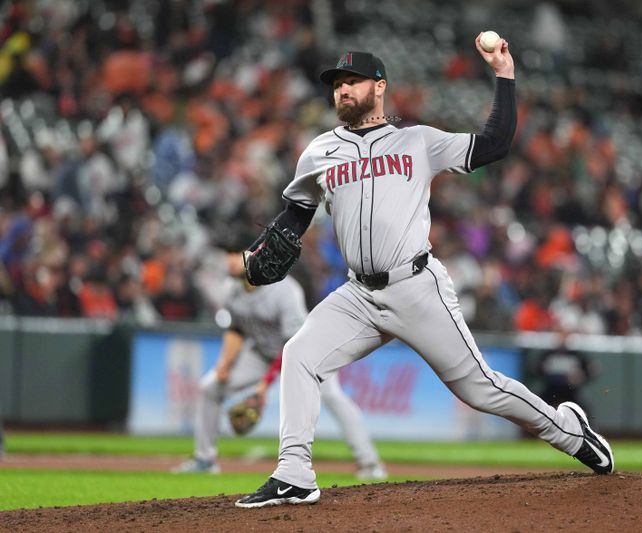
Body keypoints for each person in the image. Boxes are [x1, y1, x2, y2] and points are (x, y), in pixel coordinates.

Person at [235, 33, 614, 509]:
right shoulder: (317, 153)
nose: (343, 90)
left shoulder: (417, 141)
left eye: (353, 81)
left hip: (416, 286)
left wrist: (504, 74)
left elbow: (494, 144)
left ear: (380, 88)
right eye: (337, 84)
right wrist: (258, 254)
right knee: (300, 356)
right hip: (357, 295)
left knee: (481, 390)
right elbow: (293, 217)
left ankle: (568, 431)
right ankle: (294, 471)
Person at [172, 239, 386, 480]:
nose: (229, 260)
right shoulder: (231, 291)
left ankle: (369, 462)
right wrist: (224, 364)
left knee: (334, 397)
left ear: (255, 255)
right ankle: (204, 458)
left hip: (307, 353)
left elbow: (291, 345)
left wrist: (264, 386)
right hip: (263, 353)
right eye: (227, 254)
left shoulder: (284, 290)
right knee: (210, 387)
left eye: (235, 253)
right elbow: (237, 330)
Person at [533, 329, 595, 409]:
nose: (562, 340)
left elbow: (589, 370)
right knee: (538, 405)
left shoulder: (576, 355)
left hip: (569, 390)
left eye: (565, 337)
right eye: (560, 336)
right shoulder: (549, 354)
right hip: (551, 389)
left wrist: (581, 376)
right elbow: (536, 369)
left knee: (582, 409)